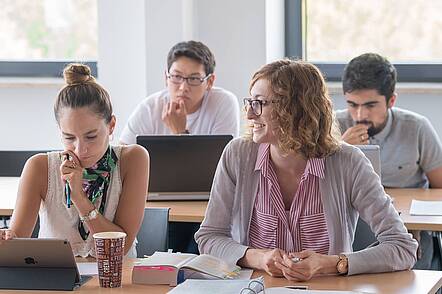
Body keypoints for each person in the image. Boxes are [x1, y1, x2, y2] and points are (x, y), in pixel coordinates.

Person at [195, 59, 417, 281]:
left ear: (295, 109)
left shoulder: (349, 162)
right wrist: (258, 258)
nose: (250, 114)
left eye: (260, 103)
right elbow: (210, 237)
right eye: (250, 102)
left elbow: (402, 247)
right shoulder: (238, 154)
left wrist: (332, 264)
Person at [0, 64, 149, 258]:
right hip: (55, 282)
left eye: (91, 136)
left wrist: (78, 195)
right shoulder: (39, 167)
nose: (80, 149)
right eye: (69, 138)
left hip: (115, 282)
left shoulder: (133, 159)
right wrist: (7, 239)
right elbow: (17, 244)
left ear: (111, 126)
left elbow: (118, 249)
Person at [336, 53, 442, 269]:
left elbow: (440, 188)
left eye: (370, 105)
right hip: (352, 224)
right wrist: (339, 147)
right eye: (352, 104)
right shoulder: (333, 126)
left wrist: (416, 225)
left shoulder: (417, 127)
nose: (359, 114)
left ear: (391, 100)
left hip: (407, 227)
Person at [119, 40, 240, 144]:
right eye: (177, 76)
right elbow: (121, 156)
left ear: (210, 82)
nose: (183, 87)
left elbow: (220, 166)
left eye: (194, 78)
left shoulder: (223, 103)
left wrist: (181, 133)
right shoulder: (150, 108)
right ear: (166, 78)